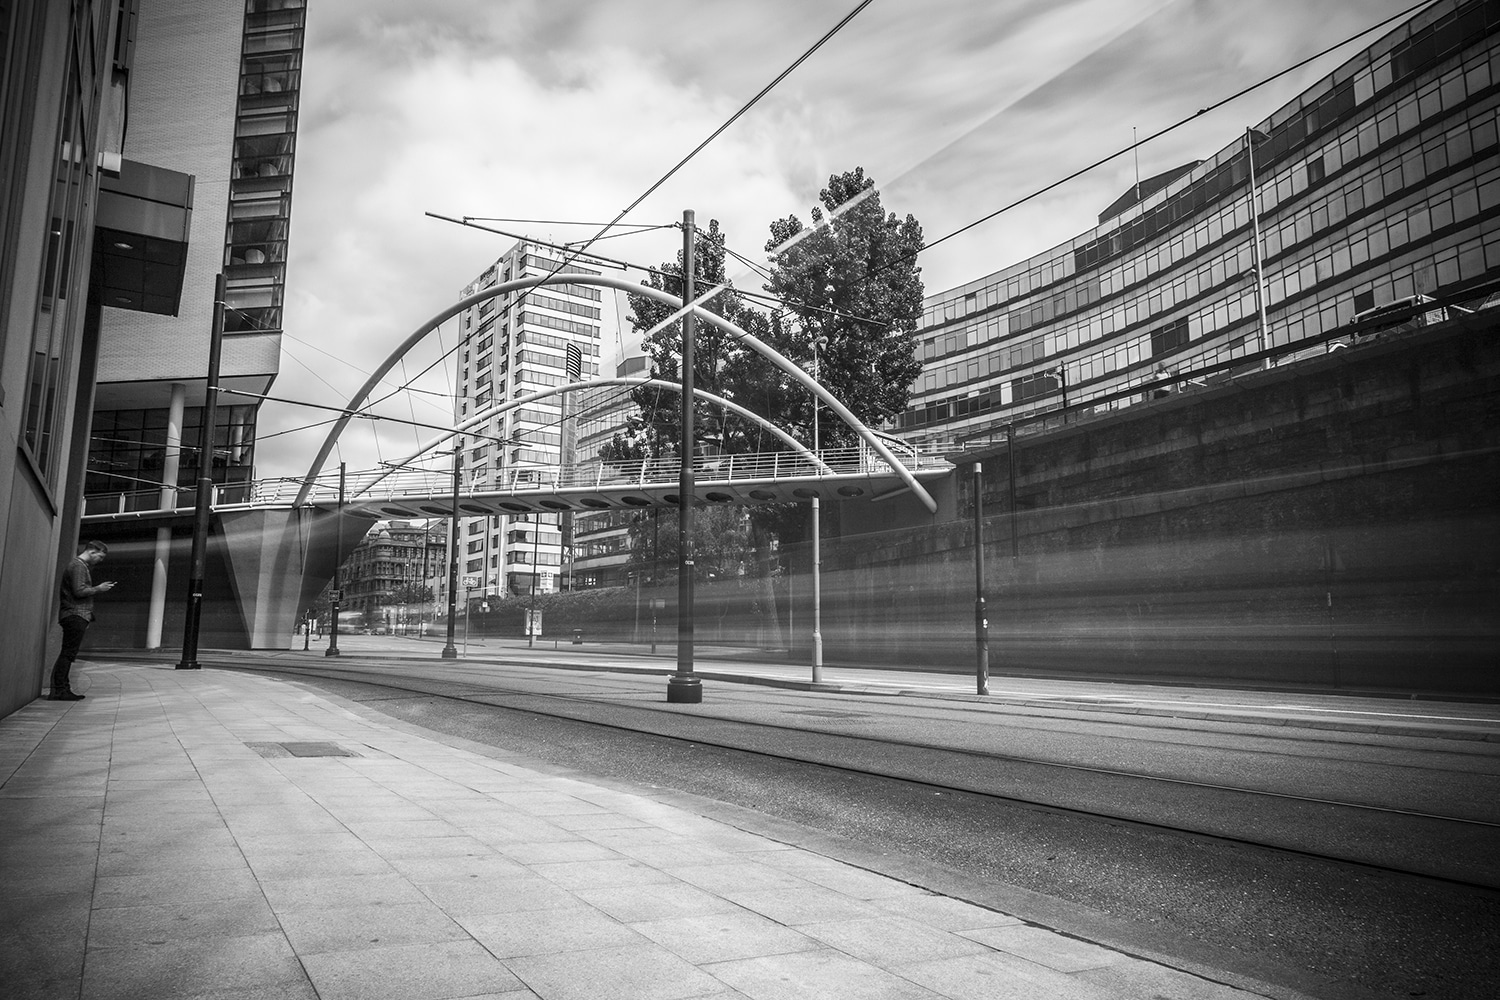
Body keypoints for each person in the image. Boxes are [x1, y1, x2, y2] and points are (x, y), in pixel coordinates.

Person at [50, 540, 115, 701]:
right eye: (100, 557)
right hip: (75, 615)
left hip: (74, 614)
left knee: (68, 653)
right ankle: (60, 690)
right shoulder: (78, 566)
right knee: (68, 654)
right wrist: (98, 589)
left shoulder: (79, 565)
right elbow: (79, 591)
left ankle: (62, 689)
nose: (100, 561)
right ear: (92, 552)